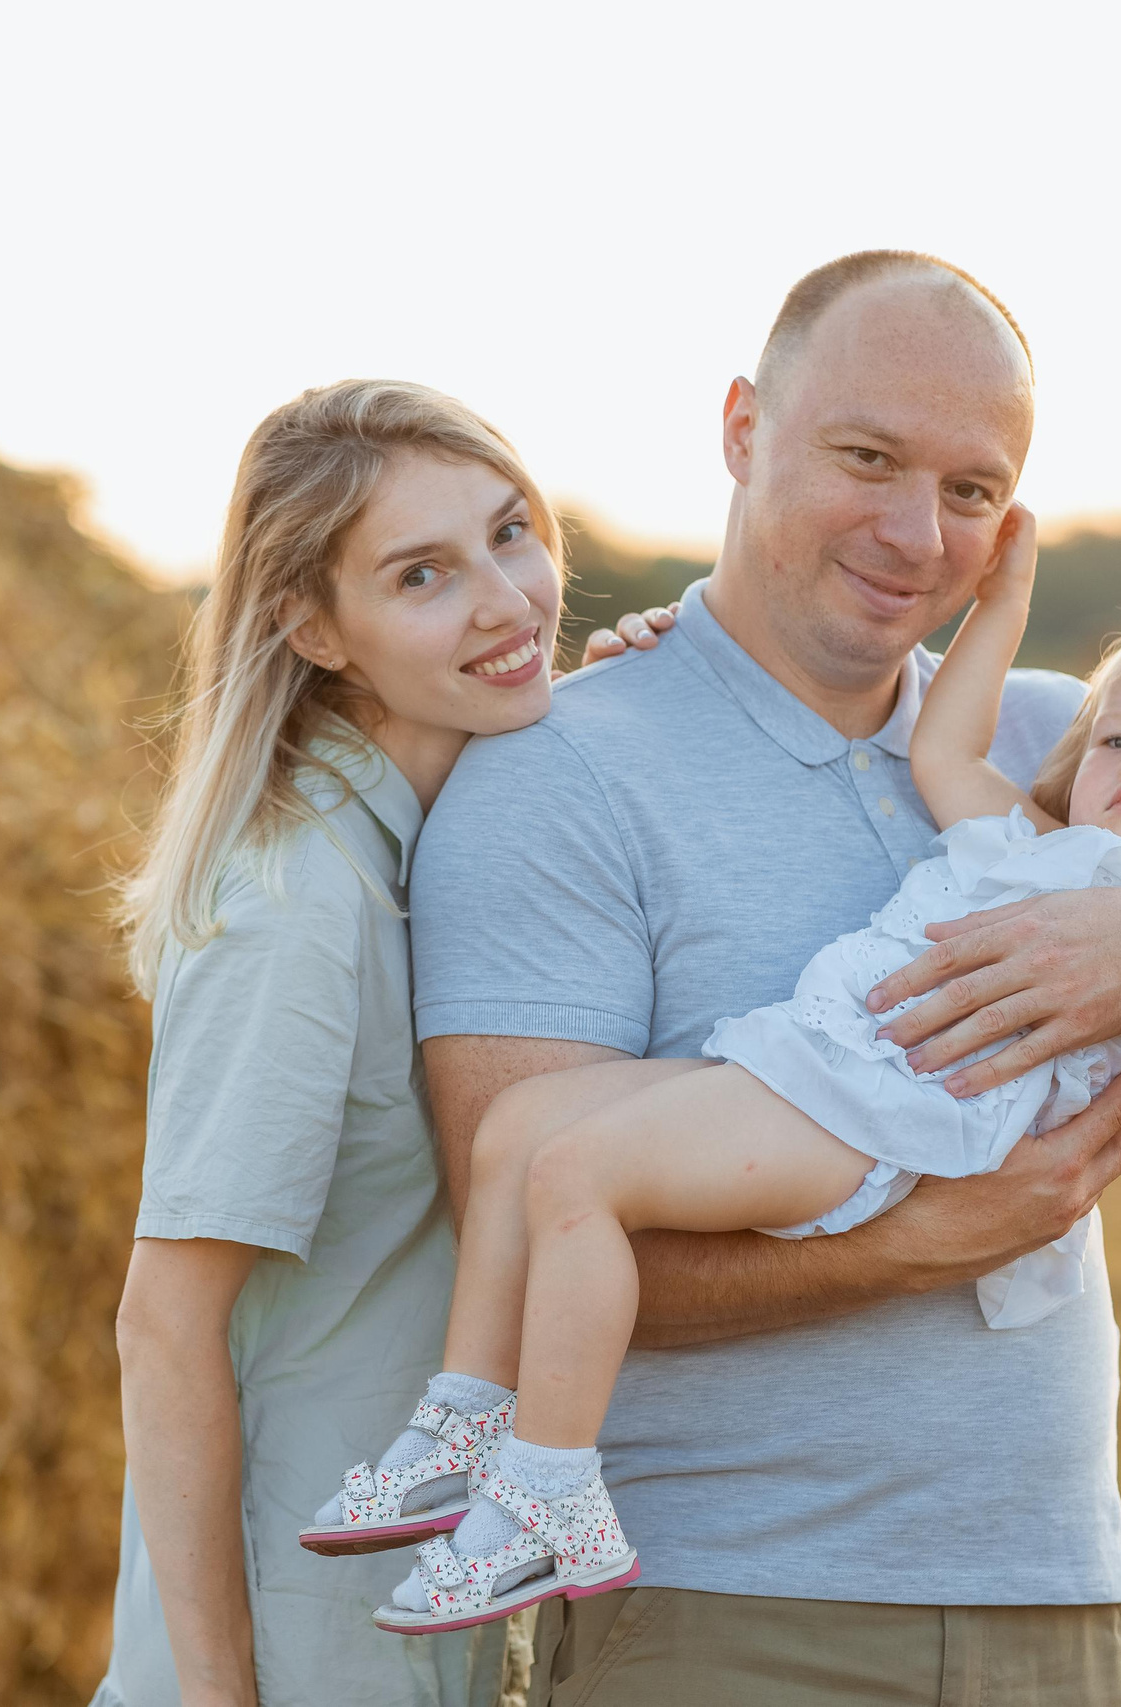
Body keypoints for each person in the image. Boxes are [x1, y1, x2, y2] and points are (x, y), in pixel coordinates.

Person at [406, 251, 1121, 1705]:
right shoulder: (554, 774)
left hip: (1054, 1601)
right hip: (721, 1617)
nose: (913, 532)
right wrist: (929, 1241)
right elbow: (522, 1219)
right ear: (745, 428)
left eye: (970, 488)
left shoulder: (1084, 752)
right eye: (867, 459)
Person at [99, 379, 672, 1707]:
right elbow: (163, 1324)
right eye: (424, 575)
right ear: (313, 626)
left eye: (511, 534)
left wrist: (644, 708)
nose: (509, 600)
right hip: (304, 1657)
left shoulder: (436, 851)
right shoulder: (303, 907)